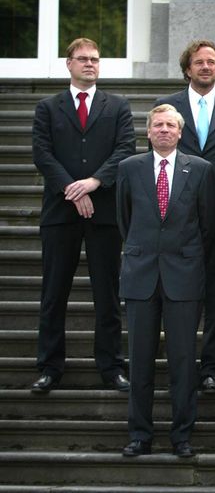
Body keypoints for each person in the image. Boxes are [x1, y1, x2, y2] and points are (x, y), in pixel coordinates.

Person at [30, 38, 134, 394]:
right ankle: (49, 366)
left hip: (104, 213)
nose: (90, 64)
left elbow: (125, 150)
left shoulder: (117, 106)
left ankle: (111, 366)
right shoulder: (48, 107)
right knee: (53, 292)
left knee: (107, 294)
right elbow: (42, 154)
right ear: (68, 64)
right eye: (83, 59)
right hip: (60, 213)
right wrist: (72, 192)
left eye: (95, 59)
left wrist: (93, 183)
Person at [155, 40, 215, 394]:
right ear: (187, 68)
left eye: (212, 62)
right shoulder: (168, 106)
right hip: (179, 214)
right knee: (179, 294)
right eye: (199, 62)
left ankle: (212, 367)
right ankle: (179, 364)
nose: (206, 67)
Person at [117, 105, 213, 459]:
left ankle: (181, 435)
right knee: (139, 361)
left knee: (184, 361)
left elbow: (208, 224)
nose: (163, 130)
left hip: (184, 276)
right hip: (141, 274)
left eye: (170, 125)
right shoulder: (129, 169)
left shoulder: (200, 170)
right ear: (148, 131)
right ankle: (140, 435)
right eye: (157, 125)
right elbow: (124, 219)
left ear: (180, 132)